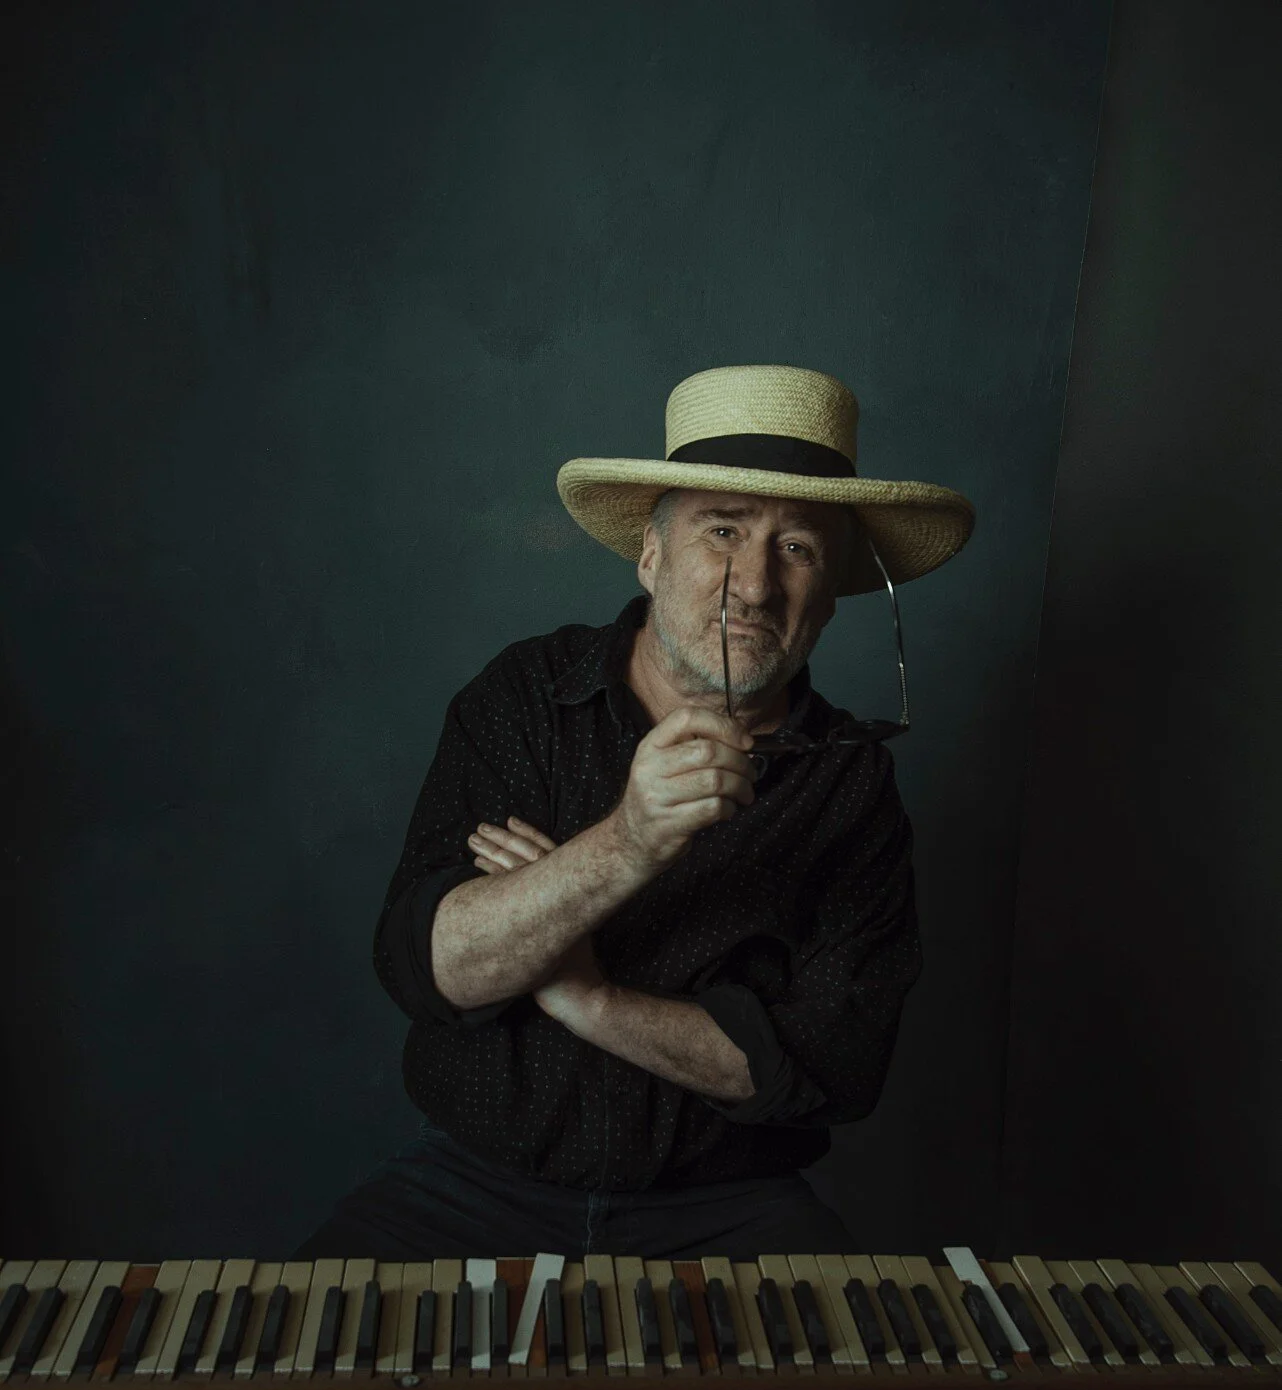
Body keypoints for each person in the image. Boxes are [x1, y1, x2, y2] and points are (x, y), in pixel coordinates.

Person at [294, 363, 974, 1260]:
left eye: (798, 548)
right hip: (469, 1188)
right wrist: (630, 840)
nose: (756, 586)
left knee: (858, 1383)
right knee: (286, 1372)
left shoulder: (851, 786)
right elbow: (432, 968)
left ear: (834, 590)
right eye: (722, 532)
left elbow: (831, 1069)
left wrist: (586, 996)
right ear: (651, 556)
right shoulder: (530, 695)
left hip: (730, 1210)